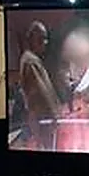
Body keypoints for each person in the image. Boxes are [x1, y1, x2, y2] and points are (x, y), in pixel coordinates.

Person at [16, 20, 61, 150]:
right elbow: (42, 94)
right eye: (40, 39)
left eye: (45, 38)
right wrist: (55, 116)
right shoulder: (30, 61)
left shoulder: (32, 59)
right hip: (42, 120)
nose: (45, 42)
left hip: (42, 119)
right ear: (30, 39)